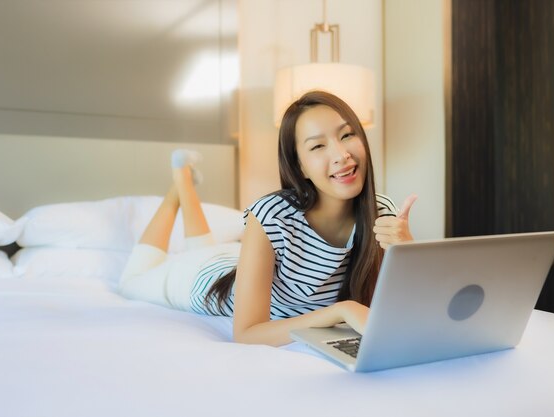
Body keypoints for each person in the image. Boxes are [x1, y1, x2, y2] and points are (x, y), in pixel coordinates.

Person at [119, 90, 417, 347]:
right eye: (317, 146)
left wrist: (406, 252)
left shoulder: (381, 214)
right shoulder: (270, 217)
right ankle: (179, 186)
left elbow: (395, 312)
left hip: (236, 263)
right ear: (299, 166)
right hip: (204, 281)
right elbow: (246, 334)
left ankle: (183, 183)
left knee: (204, 248)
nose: (341, 155)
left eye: (347, 134)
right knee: (131, 282)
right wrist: (341, 310)